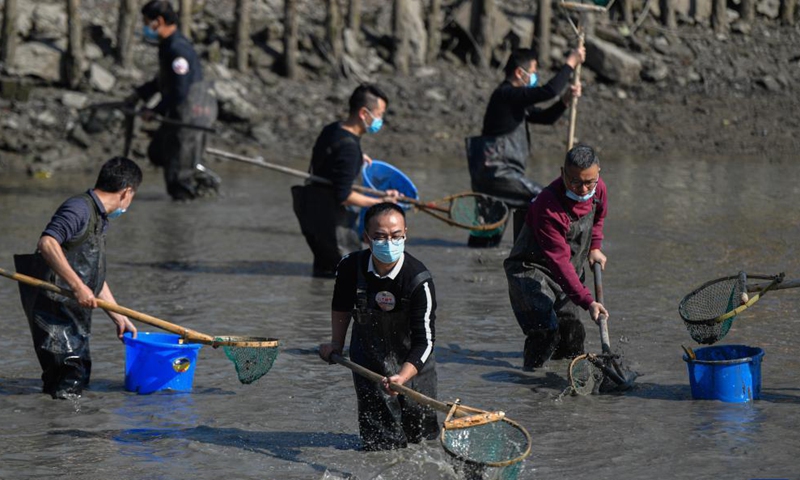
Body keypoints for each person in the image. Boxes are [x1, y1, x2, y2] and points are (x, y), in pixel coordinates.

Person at [13, 157, 141, 399]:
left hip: (74, 317)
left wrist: (118, 316)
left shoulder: (99, 218)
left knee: (77, 380)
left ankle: (68, 431)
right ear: (127, 192)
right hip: (54, 313)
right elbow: (48, 243)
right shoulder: (79, 209)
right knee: (68, 382)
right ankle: (62, 433)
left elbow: (91, 275)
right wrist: (77, 285)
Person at [319, 203, 438, 451]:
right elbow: (341, 307)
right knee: (379, 445)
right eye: (380, 237)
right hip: (367, 364)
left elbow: (425, 341)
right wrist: (336, 344)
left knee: (422, 443)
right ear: (366, 238)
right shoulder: (350, 267)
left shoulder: (419, 279)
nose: (389, 242)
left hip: (413, 368)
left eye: (396, 236)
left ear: (405, 234)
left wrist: (402, 377)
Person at [466, 46, 586, 248]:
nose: (535, 76)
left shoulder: (515, 101)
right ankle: (548, 247)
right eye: (533, 71)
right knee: (547, 199)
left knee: (485, 239)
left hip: (491, 177)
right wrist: (570, 64)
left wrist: (565, 101)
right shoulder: (506, 94)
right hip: (497, 174)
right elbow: (549, 91)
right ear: (519, 73)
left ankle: (506, 256)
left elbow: (544, 117)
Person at [503, 145, 609, 371]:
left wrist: (595, 247)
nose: (583, 189)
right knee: (545, 332)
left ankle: (568, 386)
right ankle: (531, 383)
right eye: (575, 182)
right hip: (531, 270)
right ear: (563, 174)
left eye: (589, 182)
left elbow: (598, 218)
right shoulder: (548, 207)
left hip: (570, 271)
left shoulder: (598, 189)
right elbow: (559, 262)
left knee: (572, 335)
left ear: (598, 172)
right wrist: (587, 300)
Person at [292, 84, 399, 278]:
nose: (380, 120)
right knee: (350, 279)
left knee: (324, 274)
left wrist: (359, 156)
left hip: (313, 215)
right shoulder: (348, 150)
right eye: (379, 114)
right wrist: (380, 203)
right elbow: (344, 195)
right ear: (363, 113)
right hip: (334, 226)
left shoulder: (333, 129)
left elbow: (330, 161)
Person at [129, 0, 219, 201]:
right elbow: (163, 80)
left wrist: (154, 111)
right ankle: (196, 178)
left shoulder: (178, 49)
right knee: (158, 152)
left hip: (192, 114)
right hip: (180, 111)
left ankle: (185, 209)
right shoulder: (168, 46)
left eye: (146, 23)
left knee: (178, 176)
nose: (145, 29)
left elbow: (180, 89)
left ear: (158, 21)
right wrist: (139, 95)